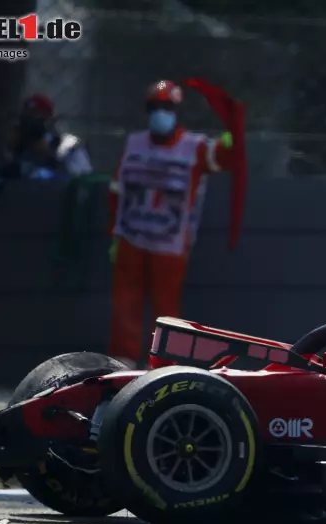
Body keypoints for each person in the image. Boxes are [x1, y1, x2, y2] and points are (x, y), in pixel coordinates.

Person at [106, 80, 240, 368]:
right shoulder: (134, 143)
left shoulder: (195, 147)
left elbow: (226, 158)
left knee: (166, 309)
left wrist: (234, 131)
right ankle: (123, 360)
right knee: (125, 302)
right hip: (131, 237)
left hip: (171, 243)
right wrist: (114, 234)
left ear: (177, 111)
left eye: (166, 107)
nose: (160, 113)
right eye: (154, 107)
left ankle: (163, 364)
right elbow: (116, 190)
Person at [3, 94, 93, 180]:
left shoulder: (66, 145)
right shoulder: (20, 146)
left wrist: (51, 156)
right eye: (27, 119)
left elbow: (81, 177)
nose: (32, 126)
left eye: (38, 118)